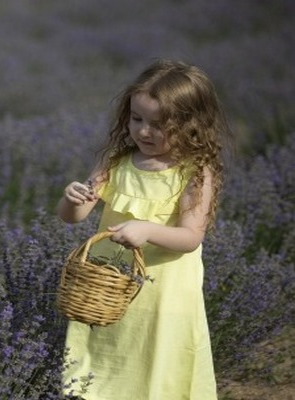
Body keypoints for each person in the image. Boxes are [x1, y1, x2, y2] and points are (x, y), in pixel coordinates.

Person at [57, 60, 231, 399]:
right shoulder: (115, 163)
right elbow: (73, 217)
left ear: (191, 124)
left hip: (164, 293)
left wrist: (146, 229)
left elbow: (190, 237)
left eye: (158, 124)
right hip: (108, 287)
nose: (144, 131)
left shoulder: (194, 172)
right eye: (137, 119)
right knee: (104, 363)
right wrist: (71, 198)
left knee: (156, 364)